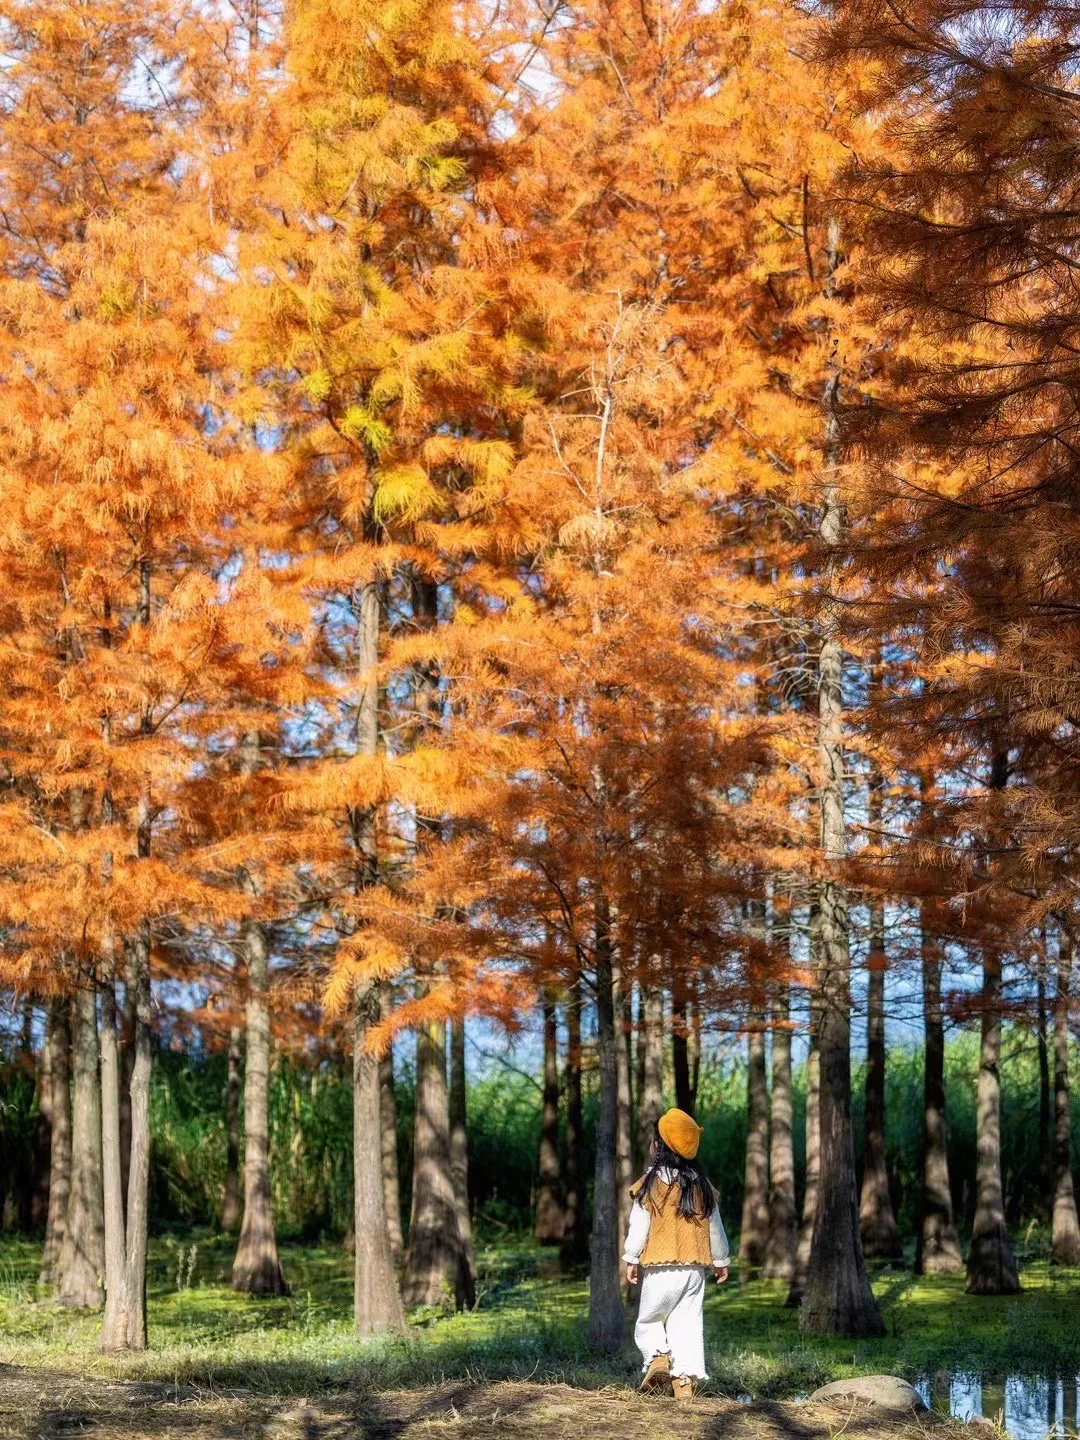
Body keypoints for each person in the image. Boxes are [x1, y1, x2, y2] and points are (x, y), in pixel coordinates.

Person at [622, 1107, 729, 1402]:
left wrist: (631, 1257)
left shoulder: (650, 1183)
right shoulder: (703, 1185)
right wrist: (721, 1261)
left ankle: (658, 1359)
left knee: (650, 1318)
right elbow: (715, 1228)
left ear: (659, 1146)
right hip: (694, 1270)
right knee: (687, 1323)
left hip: (660, 1268)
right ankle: (683, 1382)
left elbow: (639, 1224)